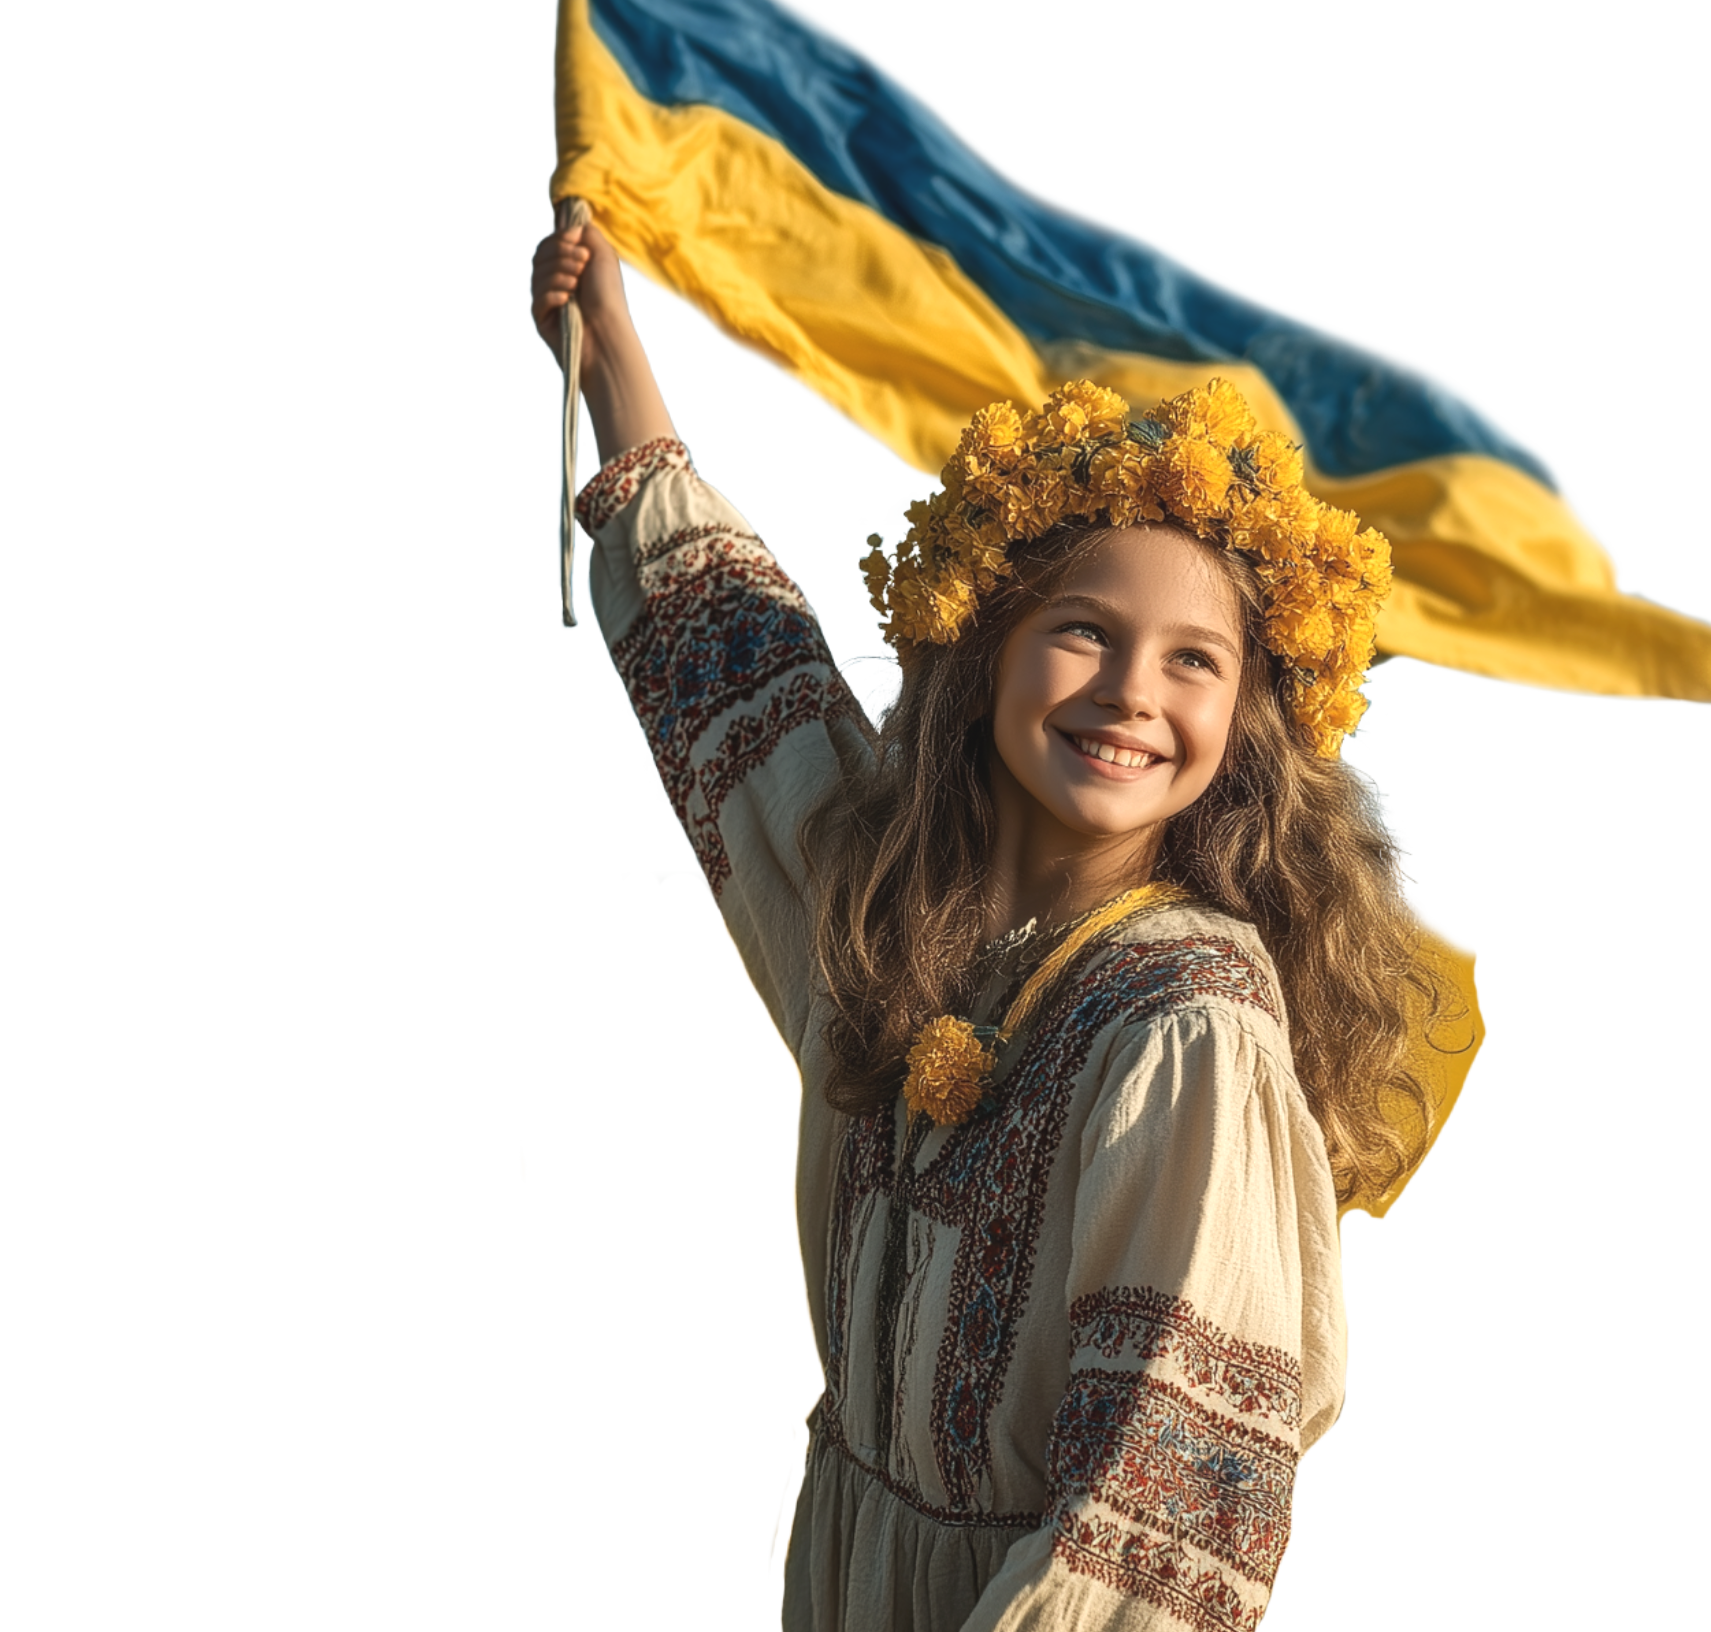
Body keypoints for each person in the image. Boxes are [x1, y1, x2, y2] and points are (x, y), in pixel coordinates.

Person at [533, 210, 1462, 1632]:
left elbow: (1156, 1517)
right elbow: (749, 693)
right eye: (1083, 629)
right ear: (987, 648)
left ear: (1249, 720)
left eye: (1195, 660)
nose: (1132, 691)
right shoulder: (900, 921)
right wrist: (607, 355)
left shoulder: (1188, 1032)